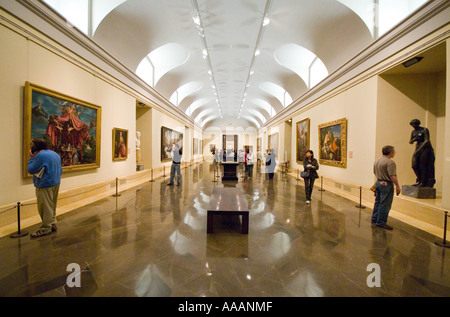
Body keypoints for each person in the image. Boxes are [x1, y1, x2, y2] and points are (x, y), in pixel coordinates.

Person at [27, 138, 63, 238]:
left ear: (36, 147)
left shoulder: (40, 156)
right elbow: (60, 169)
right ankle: (52, 223)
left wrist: (31, 158)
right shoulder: (54, 154)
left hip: (45, 184)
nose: (31, 147)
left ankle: (45, 228)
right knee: (52, 205)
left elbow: (31, 169)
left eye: (32, 145)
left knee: (44, 207)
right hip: (55, 182)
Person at [372, 145, 401, 230]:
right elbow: (392, 175)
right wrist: (397, 186)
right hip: (386, 184)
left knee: (378, 201)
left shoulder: (377, 161)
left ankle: (374, 218)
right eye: (394, 151)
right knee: (385, 203)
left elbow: (374, 171)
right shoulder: (390, 162)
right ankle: (381, 221)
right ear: (391, 152)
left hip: (378, 182)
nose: (394, 153)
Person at [409, 119, 435, 188]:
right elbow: (410, 141)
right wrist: (414, 139)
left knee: (422, 165)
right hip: (417, 147)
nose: (414, 126)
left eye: (415, 124)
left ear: (418, 124)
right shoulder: (413, 132)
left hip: (425, 148)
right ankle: (419, 180)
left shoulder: (424, 130)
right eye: (412, 125)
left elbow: (427, 141)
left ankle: (423, 182)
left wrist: (419, 150)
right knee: (414, 165)